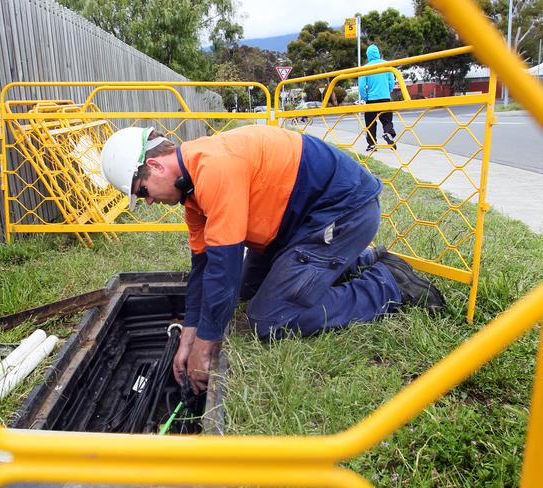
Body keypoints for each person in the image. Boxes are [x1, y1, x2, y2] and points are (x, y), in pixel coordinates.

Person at [100, 125, 444, 394]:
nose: (146, 202)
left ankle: (387, 286)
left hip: (345, 214)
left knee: (270, 319)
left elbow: (224, 266)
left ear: (155, 165)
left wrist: (205, 347)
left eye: (141, 192)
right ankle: (360, 260)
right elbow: (203, 269)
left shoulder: (214, 167)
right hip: (299, 228)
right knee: (247, 288)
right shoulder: (192, 192)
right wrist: (188, 336)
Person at [359, 44, 397, 152]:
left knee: (370, 122)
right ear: (378, 53)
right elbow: (391, 81)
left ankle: (372, 144)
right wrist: (387, 91)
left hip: (371, 99)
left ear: (368, 55)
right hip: (385, 98)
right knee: (387, 120)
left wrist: (365, 97)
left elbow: (362, 86)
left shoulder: (365, 68)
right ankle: (388, 133)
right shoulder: (387, 65)